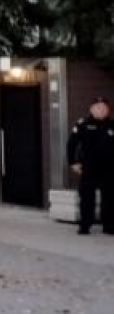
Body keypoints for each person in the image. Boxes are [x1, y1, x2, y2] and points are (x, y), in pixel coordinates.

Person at [67, 96, 114, 236]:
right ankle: (85, 225)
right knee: (87, 197)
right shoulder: (83, 124)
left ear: (108, 110)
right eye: (98, 107)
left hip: (109, 168)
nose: (101, 110)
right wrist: (73, 162)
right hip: (89, 167)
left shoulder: (112, 125)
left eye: (104, 108)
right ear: (91, 109)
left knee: (110, 197)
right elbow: (71, 144)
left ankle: (109, 225)